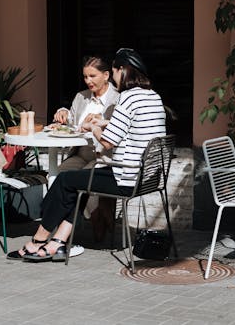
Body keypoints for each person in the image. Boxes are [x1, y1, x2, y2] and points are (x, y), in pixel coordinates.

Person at [14, 48, 167, 262]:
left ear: (121, 71)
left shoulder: (127, 98)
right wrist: (104, 122)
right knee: (76, 184)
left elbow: (106, 142)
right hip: (149, 178)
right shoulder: (153, 97)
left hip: (126, 178)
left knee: (65, 181)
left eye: (114, 72)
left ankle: (38, 240)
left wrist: (94, 128)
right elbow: (132, 127)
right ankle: (57, 243)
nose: (114, 78)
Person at [52, 56, 119, 172]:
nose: (88, 81)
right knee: (55, 175)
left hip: (103, 157)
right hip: (80, 155)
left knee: (79, 180)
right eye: (85, 77)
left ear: (106, 75)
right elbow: (72, 123)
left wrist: (100, 120)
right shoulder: (81, 97)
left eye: (92, 76)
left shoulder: (118, 98)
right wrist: (63, 113)